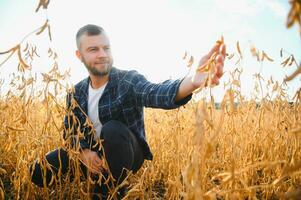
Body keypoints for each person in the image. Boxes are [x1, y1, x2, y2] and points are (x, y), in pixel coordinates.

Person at [30, 24, 226, 199]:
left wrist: (192, 81)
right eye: (93, 49)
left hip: (128, 152)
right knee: (37, 170)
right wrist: (84, 152)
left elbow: (157, 92)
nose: (102, 54)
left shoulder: (128, 80)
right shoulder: (76, 92)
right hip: (89, 155)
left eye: (106, 48)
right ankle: (92, 176)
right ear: (79, 55)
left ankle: (109, 190)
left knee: (112, 129)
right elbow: (70, 131)